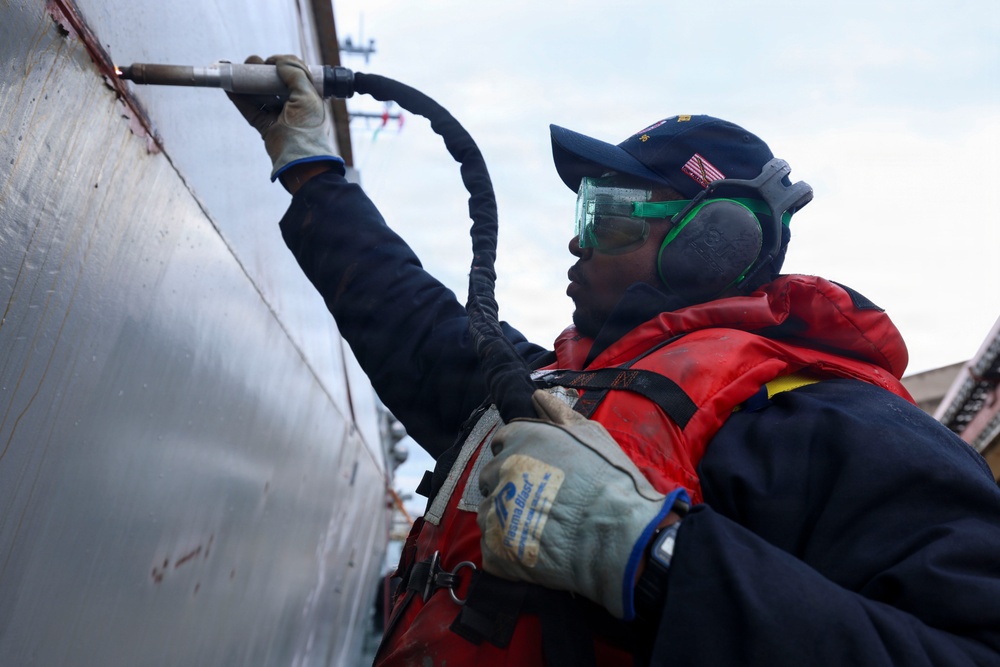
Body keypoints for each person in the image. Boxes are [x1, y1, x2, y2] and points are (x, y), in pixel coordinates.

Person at [230, 55, 1000, 666]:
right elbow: (412, 322)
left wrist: (653, 554)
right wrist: (309, 166)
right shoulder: (554, 397)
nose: (577, 239)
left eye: (606, 214)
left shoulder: (832, 420)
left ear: (714, 240)